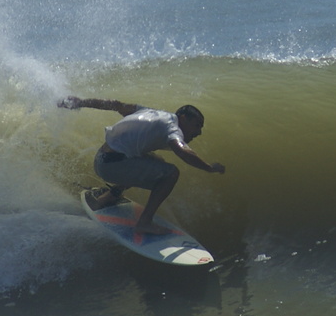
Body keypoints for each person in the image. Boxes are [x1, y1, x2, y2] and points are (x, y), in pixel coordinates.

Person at [56, 96, 226, 235]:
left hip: (102, 158)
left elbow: (116, 105)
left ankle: (109, 196)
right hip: (111, 166)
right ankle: (144, 222)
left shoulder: (151, 113)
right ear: (183, 118)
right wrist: (209, 168)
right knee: (171, 173)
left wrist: (80, 102)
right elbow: (183, 152)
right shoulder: (172, 127)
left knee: (156, 162)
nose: (199, 132)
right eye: (197, 126)